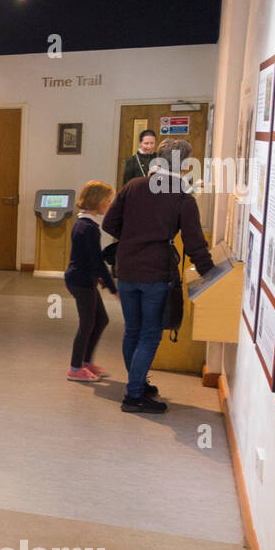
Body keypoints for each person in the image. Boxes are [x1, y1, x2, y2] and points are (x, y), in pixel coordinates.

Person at [102, 138, 214, 414]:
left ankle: (136, 383)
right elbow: (194, 242)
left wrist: (131, 236)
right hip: (156, 273)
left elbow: (109, 222)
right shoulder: (182, 197)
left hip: (126, 268)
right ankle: (134, 395)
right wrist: (210, 272)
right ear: (184, 165)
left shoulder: (134, 186)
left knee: (132, 330)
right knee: (150, 334)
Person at [63, 181, 117, 382]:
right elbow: (97, 263)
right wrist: (113, 289)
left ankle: (86, 363)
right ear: (97, 201)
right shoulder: (88, 227)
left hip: (84, 279)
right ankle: (75, 368)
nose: (109, 204)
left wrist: (101, 278)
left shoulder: (86, 224)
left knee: (101, 319)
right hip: (81, 281)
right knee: (87, 323)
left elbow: (90, 259)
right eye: (107, 200)